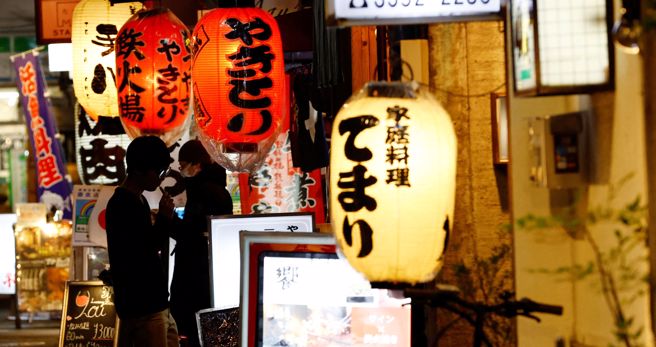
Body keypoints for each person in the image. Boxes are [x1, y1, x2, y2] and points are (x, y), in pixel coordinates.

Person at [105, 136, 179, 347]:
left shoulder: (139, 199)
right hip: (142, 308)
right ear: (139, 170)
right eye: (159, 172)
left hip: (156, 303)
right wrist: (165, 217)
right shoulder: (122, 204)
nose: (160, 179)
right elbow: (144, 250)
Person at [169, 139, 233, 347]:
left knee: (197, 332)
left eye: (182, 165)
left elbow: (191, 234)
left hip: (197, 279)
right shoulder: (213, 189)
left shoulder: (205, 191)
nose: (181, 171)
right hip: (206, 276)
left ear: (196, 165)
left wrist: (167, 219)